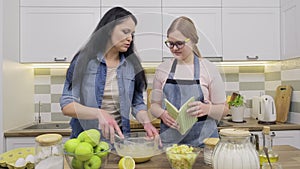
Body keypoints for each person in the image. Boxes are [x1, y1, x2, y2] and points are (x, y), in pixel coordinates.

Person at [60, 7, 159, 142]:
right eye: (125, 32)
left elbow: (137, 104)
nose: (130, 38)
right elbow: (67, 105)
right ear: (108, 30)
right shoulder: (83, 61)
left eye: (132, 34)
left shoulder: (132, 65)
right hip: (86, 143)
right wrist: (99, 113)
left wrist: (146, 122)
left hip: (119, 142)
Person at [150, 16, 229, 147]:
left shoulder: (208, 68)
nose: (174, 48)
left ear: (192, 41)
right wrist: (162, 114)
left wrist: (207, 109)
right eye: (170, 43)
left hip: (204, 144)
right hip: (171, 146)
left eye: (179, 43)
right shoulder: (162, 69)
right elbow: (154, 106)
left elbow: (224, 109)